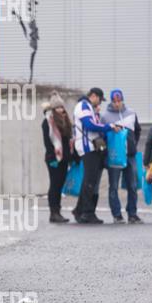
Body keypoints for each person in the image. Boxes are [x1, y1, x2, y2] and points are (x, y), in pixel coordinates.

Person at [100, 89, 142, 224]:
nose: (117, 103)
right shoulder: (105, 116)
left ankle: (132, 214)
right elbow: (101, 135)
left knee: (132, 185)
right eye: (114, 101)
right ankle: (117, 215)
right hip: (114, 156)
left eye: (119, 101)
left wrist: (133, 144)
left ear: (122, 100)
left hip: (130, 155)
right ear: (111, 101)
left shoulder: (131, 113)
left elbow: (137, 130)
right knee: (113, 186)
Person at [72, 87, 109, 224]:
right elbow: (90, 125)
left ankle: (79, 210)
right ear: (94, 96)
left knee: (89, 180)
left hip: (91, 147)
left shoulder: (88, 107)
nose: (100, 103)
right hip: (88, 147)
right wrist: (109, 126)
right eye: (100, 100)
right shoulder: (83, 106)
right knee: (89, 181)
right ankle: (87, 213)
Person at [42, 91, 73, 223]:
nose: (61, 109)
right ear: (53, 109)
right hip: (53, 158)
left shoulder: (65, 120)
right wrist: (53, 156)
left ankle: (58, 211)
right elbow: (47, 142)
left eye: (62, 107)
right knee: (54, 185)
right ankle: (53, 212)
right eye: (58, 107)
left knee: (60, 185)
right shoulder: (47, 122)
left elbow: (68, 139)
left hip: (64, 158)